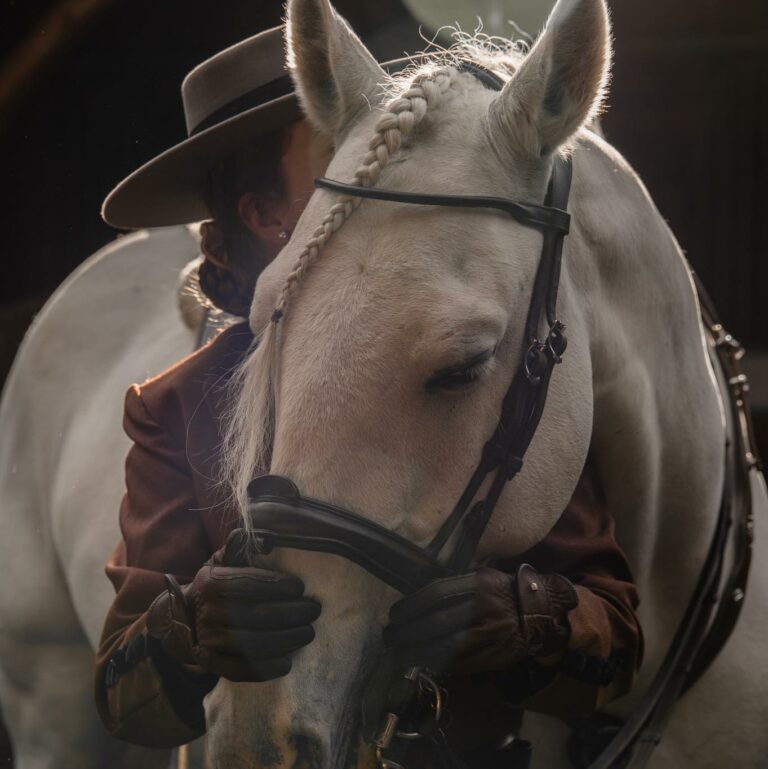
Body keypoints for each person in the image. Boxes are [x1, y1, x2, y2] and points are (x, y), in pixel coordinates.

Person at [95, 26, 643, 754]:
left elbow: (616, 642)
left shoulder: (472, 360)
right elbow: (124, 699)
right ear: (266, 216)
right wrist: (187, 626)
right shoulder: (177, 406)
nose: (381, 164)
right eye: (340, 153)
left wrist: (523, 619)